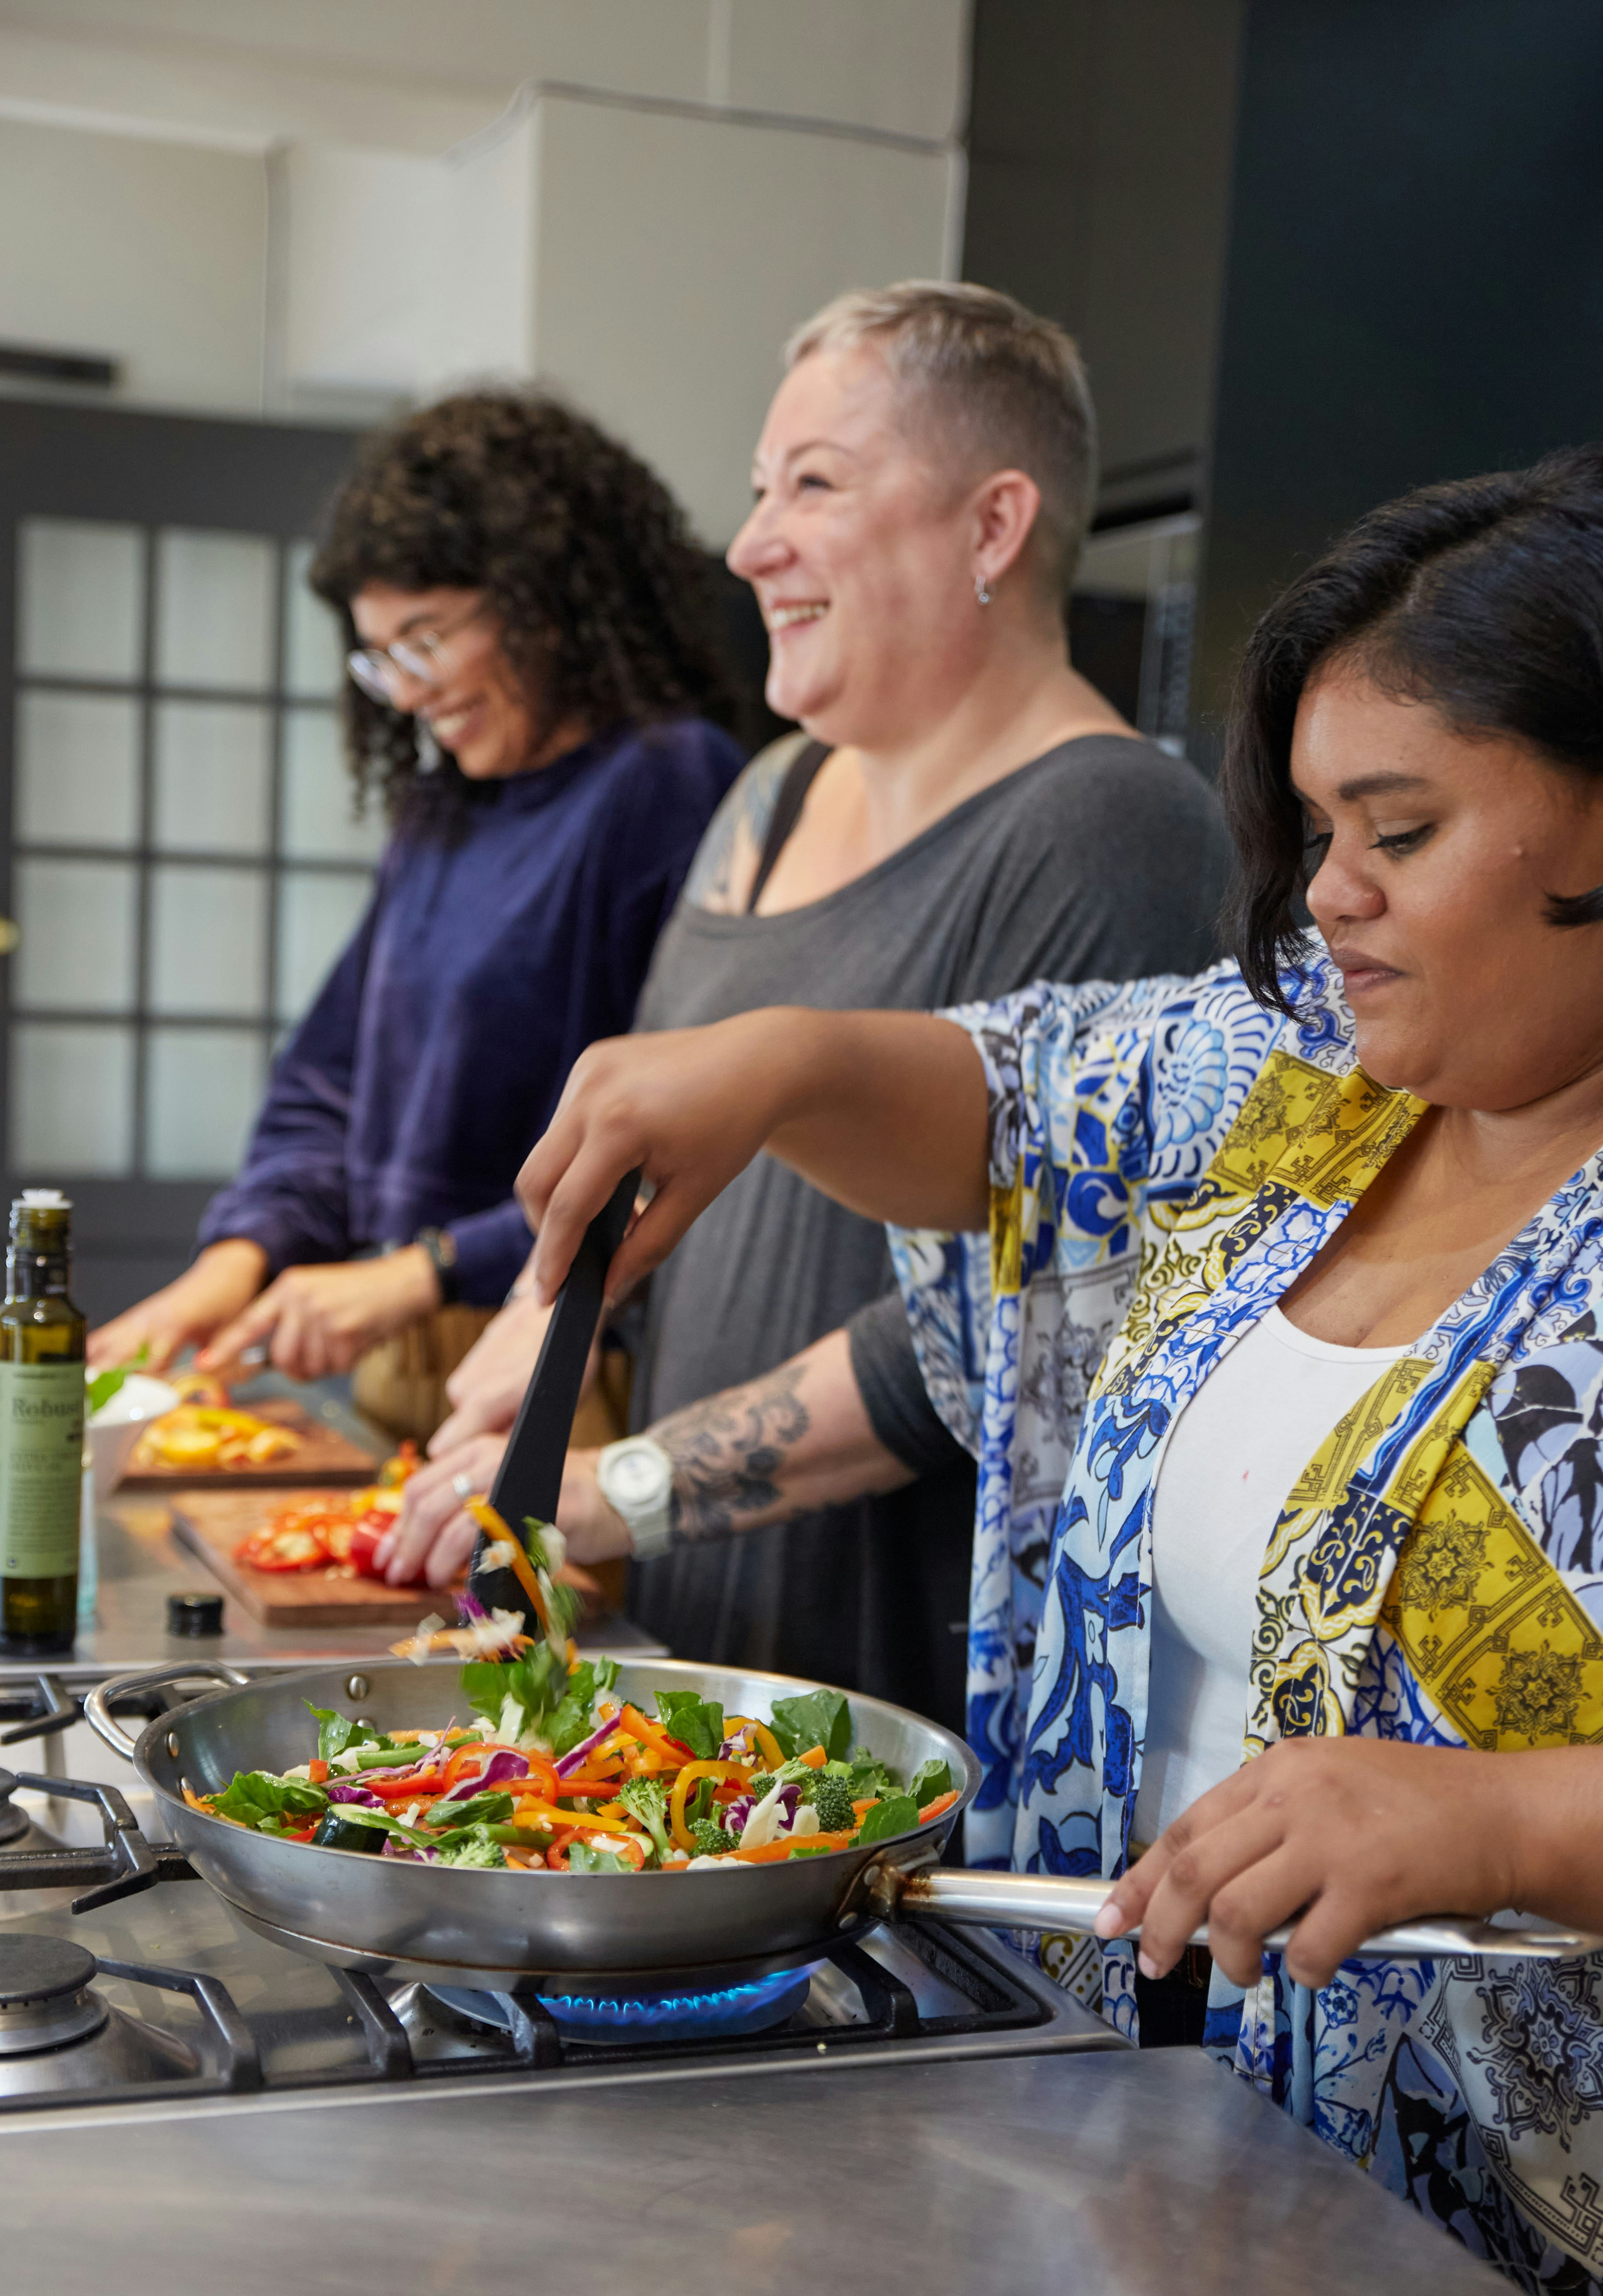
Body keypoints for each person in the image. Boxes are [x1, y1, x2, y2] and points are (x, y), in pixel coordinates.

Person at [509, 445, 1603, 2296]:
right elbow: (1020, 1101)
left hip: (1495, 2276)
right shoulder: (1316, 1074)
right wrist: (772, 1062)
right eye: (1317, 831)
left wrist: (1507, 1820)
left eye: (1400, 833)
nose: (1331, 895)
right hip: (1155, 2162)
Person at [382, 284, 1233, 1768]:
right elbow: (653, 1152)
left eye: (815, 486)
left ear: (991, 527)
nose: (748, 543)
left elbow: (1015, 1315)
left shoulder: (1115, 827)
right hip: (715, 1645)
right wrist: (551, 1329)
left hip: (908, 1701)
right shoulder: (765, 798)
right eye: (760, 488)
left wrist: (624, 1486)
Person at [88, 392, 743, 1442]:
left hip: (564, 1362)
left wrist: (424, 1271)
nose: (403, 692)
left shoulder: (665, 784)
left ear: (543, 597)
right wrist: (237, 1259)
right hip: (408, 1361)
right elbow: (328, 1081)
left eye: (425, 638)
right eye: (378, 656)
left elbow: (671, 1137)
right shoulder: (443, 811)